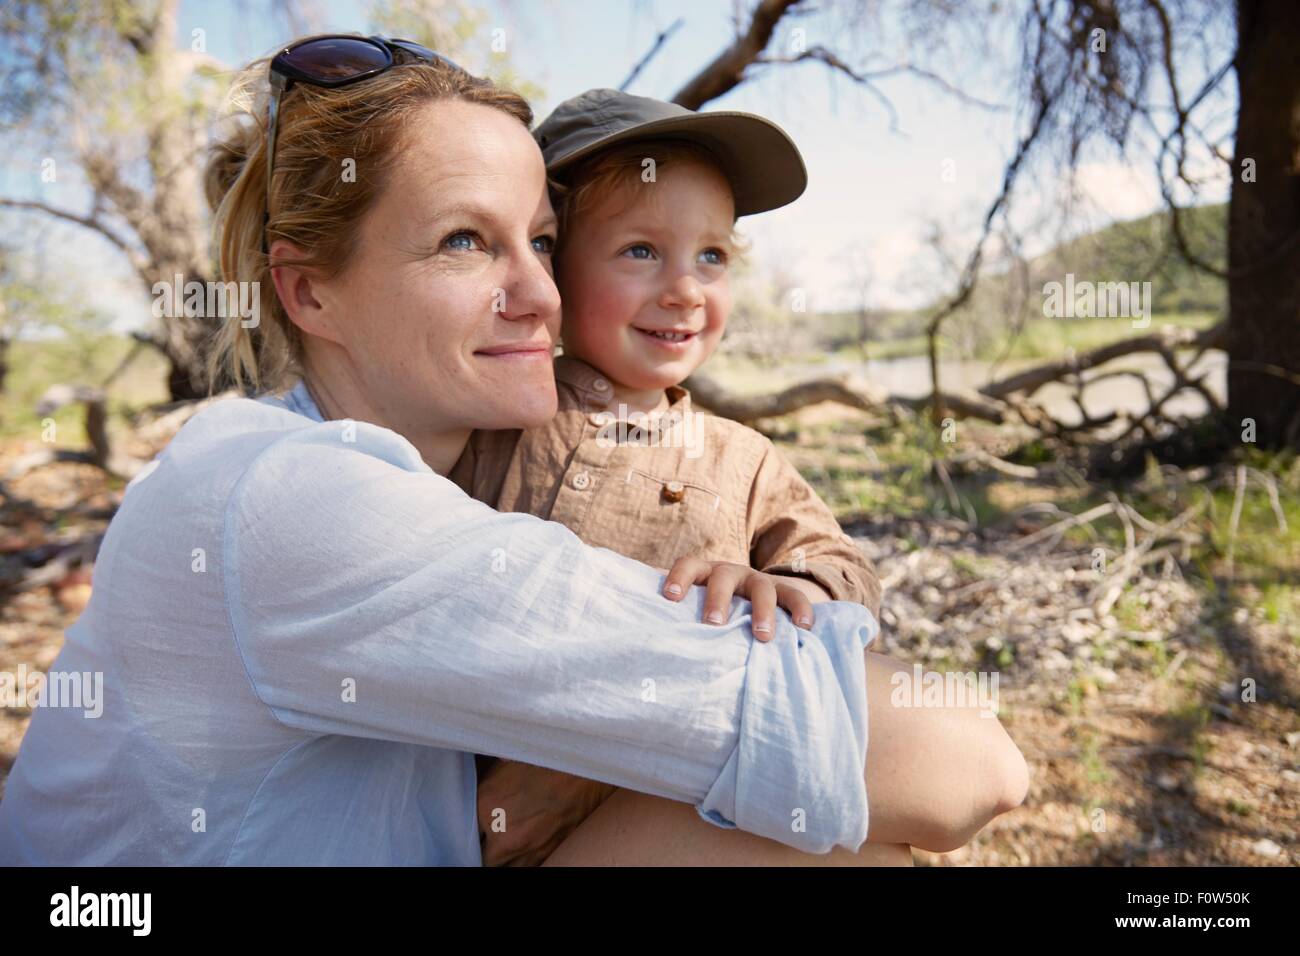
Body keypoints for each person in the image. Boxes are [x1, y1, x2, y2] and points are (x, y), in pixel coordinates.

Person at [0, 34, 1026, 866]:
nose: (535, 293)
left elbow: (817, 573)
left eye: (536, 240)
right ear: (308, 290)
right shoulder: (301, 499)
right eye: (463, 241)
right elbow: (964, 764)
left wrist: (648, 714)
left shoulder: (703, 452)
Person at [455, 90, 889, 863]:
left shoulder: (741, 458)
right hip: (453, 804)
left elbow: (843, 565)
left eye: (712, 257)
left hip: (632, 817)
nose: (685, 289)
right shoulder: (488, 413)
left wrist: (794, 589)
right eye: (641, 251)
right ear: (549, 260)